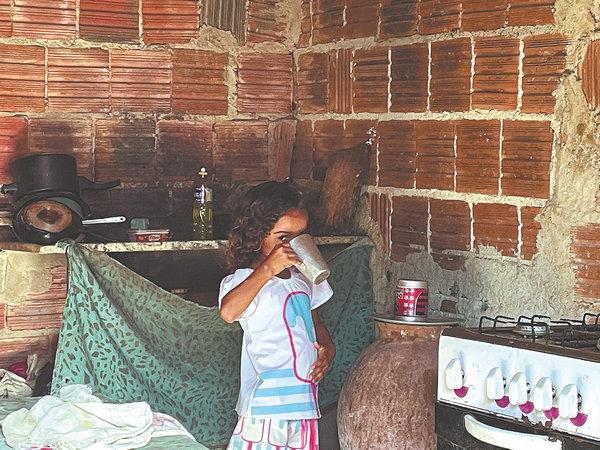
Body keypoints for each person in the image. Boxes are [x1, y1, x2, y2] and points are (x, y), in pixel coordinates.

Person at [218, 180, 335, 450]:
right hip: (264, 409)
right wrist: (269, 268)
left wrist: (328, 350)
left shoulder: (304, 278)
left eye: (300, 236)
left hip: (305, 406)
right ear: (256, 235)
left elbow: (315, 324)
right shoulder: (246, 280)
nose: (292, 245)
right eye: (283, 237)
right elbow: (228, 311)